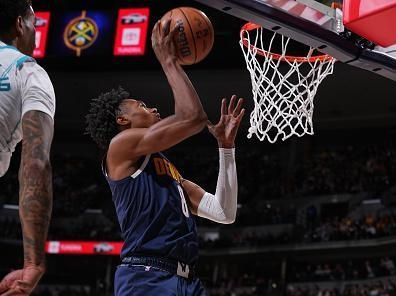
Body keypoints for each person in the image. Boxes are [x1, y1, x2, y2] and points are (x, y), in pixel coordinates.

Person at [85, 19, 244, 295]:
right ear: (122, 119)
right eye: (142, 106)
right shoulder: (119, 146)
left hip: (187, 280)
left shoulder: (169, 173)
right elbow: (193, 118)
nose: (152, 107)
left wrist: (226, 148)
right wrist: (169, 62)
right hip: (146, 276)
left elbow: (224, 212)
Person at [0, 0, 56, 295]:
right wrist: (33, 262)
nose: (35, 32)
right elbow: (35, 162)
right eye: (35, 25)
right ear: (20, 25)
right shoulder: (28, 71)